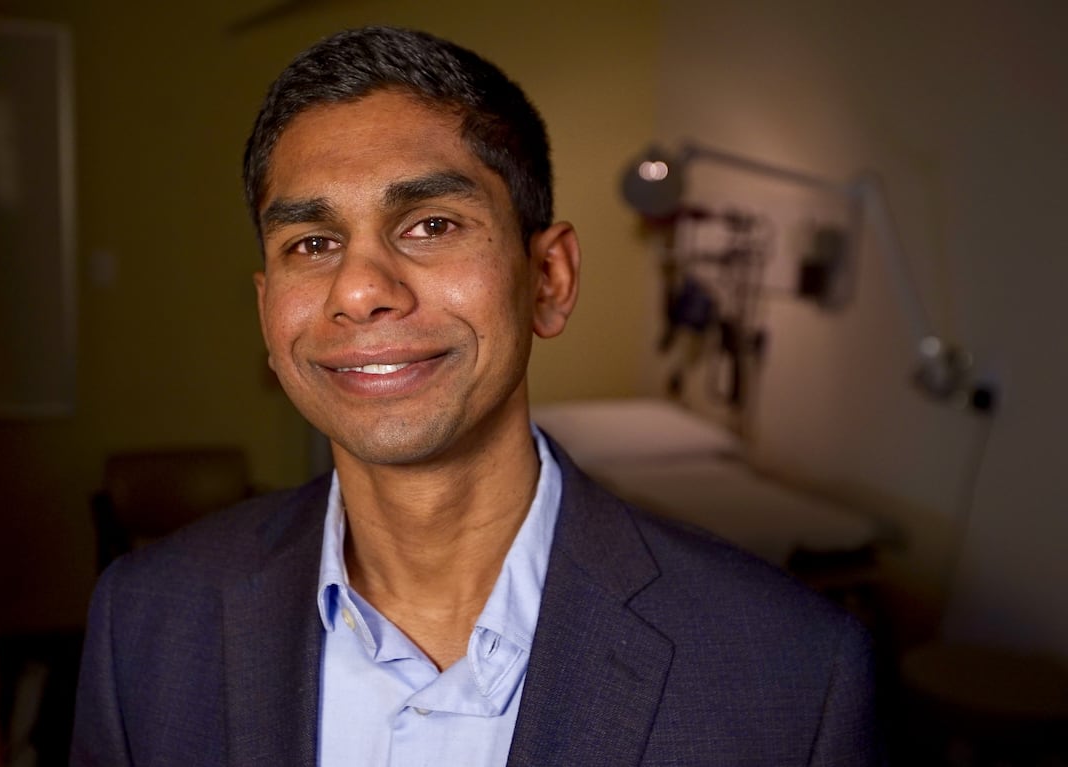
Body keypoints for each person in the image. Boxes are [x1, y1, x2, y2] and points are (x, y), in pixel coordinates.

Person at [72, 26, 881, 766]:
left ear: (550, 280)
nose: (358, 291)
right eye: (313, 244)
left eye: (430, 224)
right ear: (266, 313)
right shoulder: (142, 623)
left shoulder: (793, 676)